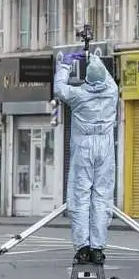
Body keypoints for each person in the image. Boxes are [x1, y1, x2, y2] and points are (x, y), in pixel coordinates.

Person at [53, 51, 118, 265]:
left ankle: (82, 247)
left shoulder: (78, 95)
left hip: (84, 146)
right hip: (105, 147)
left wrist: (65, 65)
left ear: (87, 79)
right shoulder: (112, 92)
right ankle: (98, 248)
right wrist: (94, 56)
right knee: (102, 197)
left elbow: (59, 88)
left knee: (80, 197)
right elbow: (105, 76)